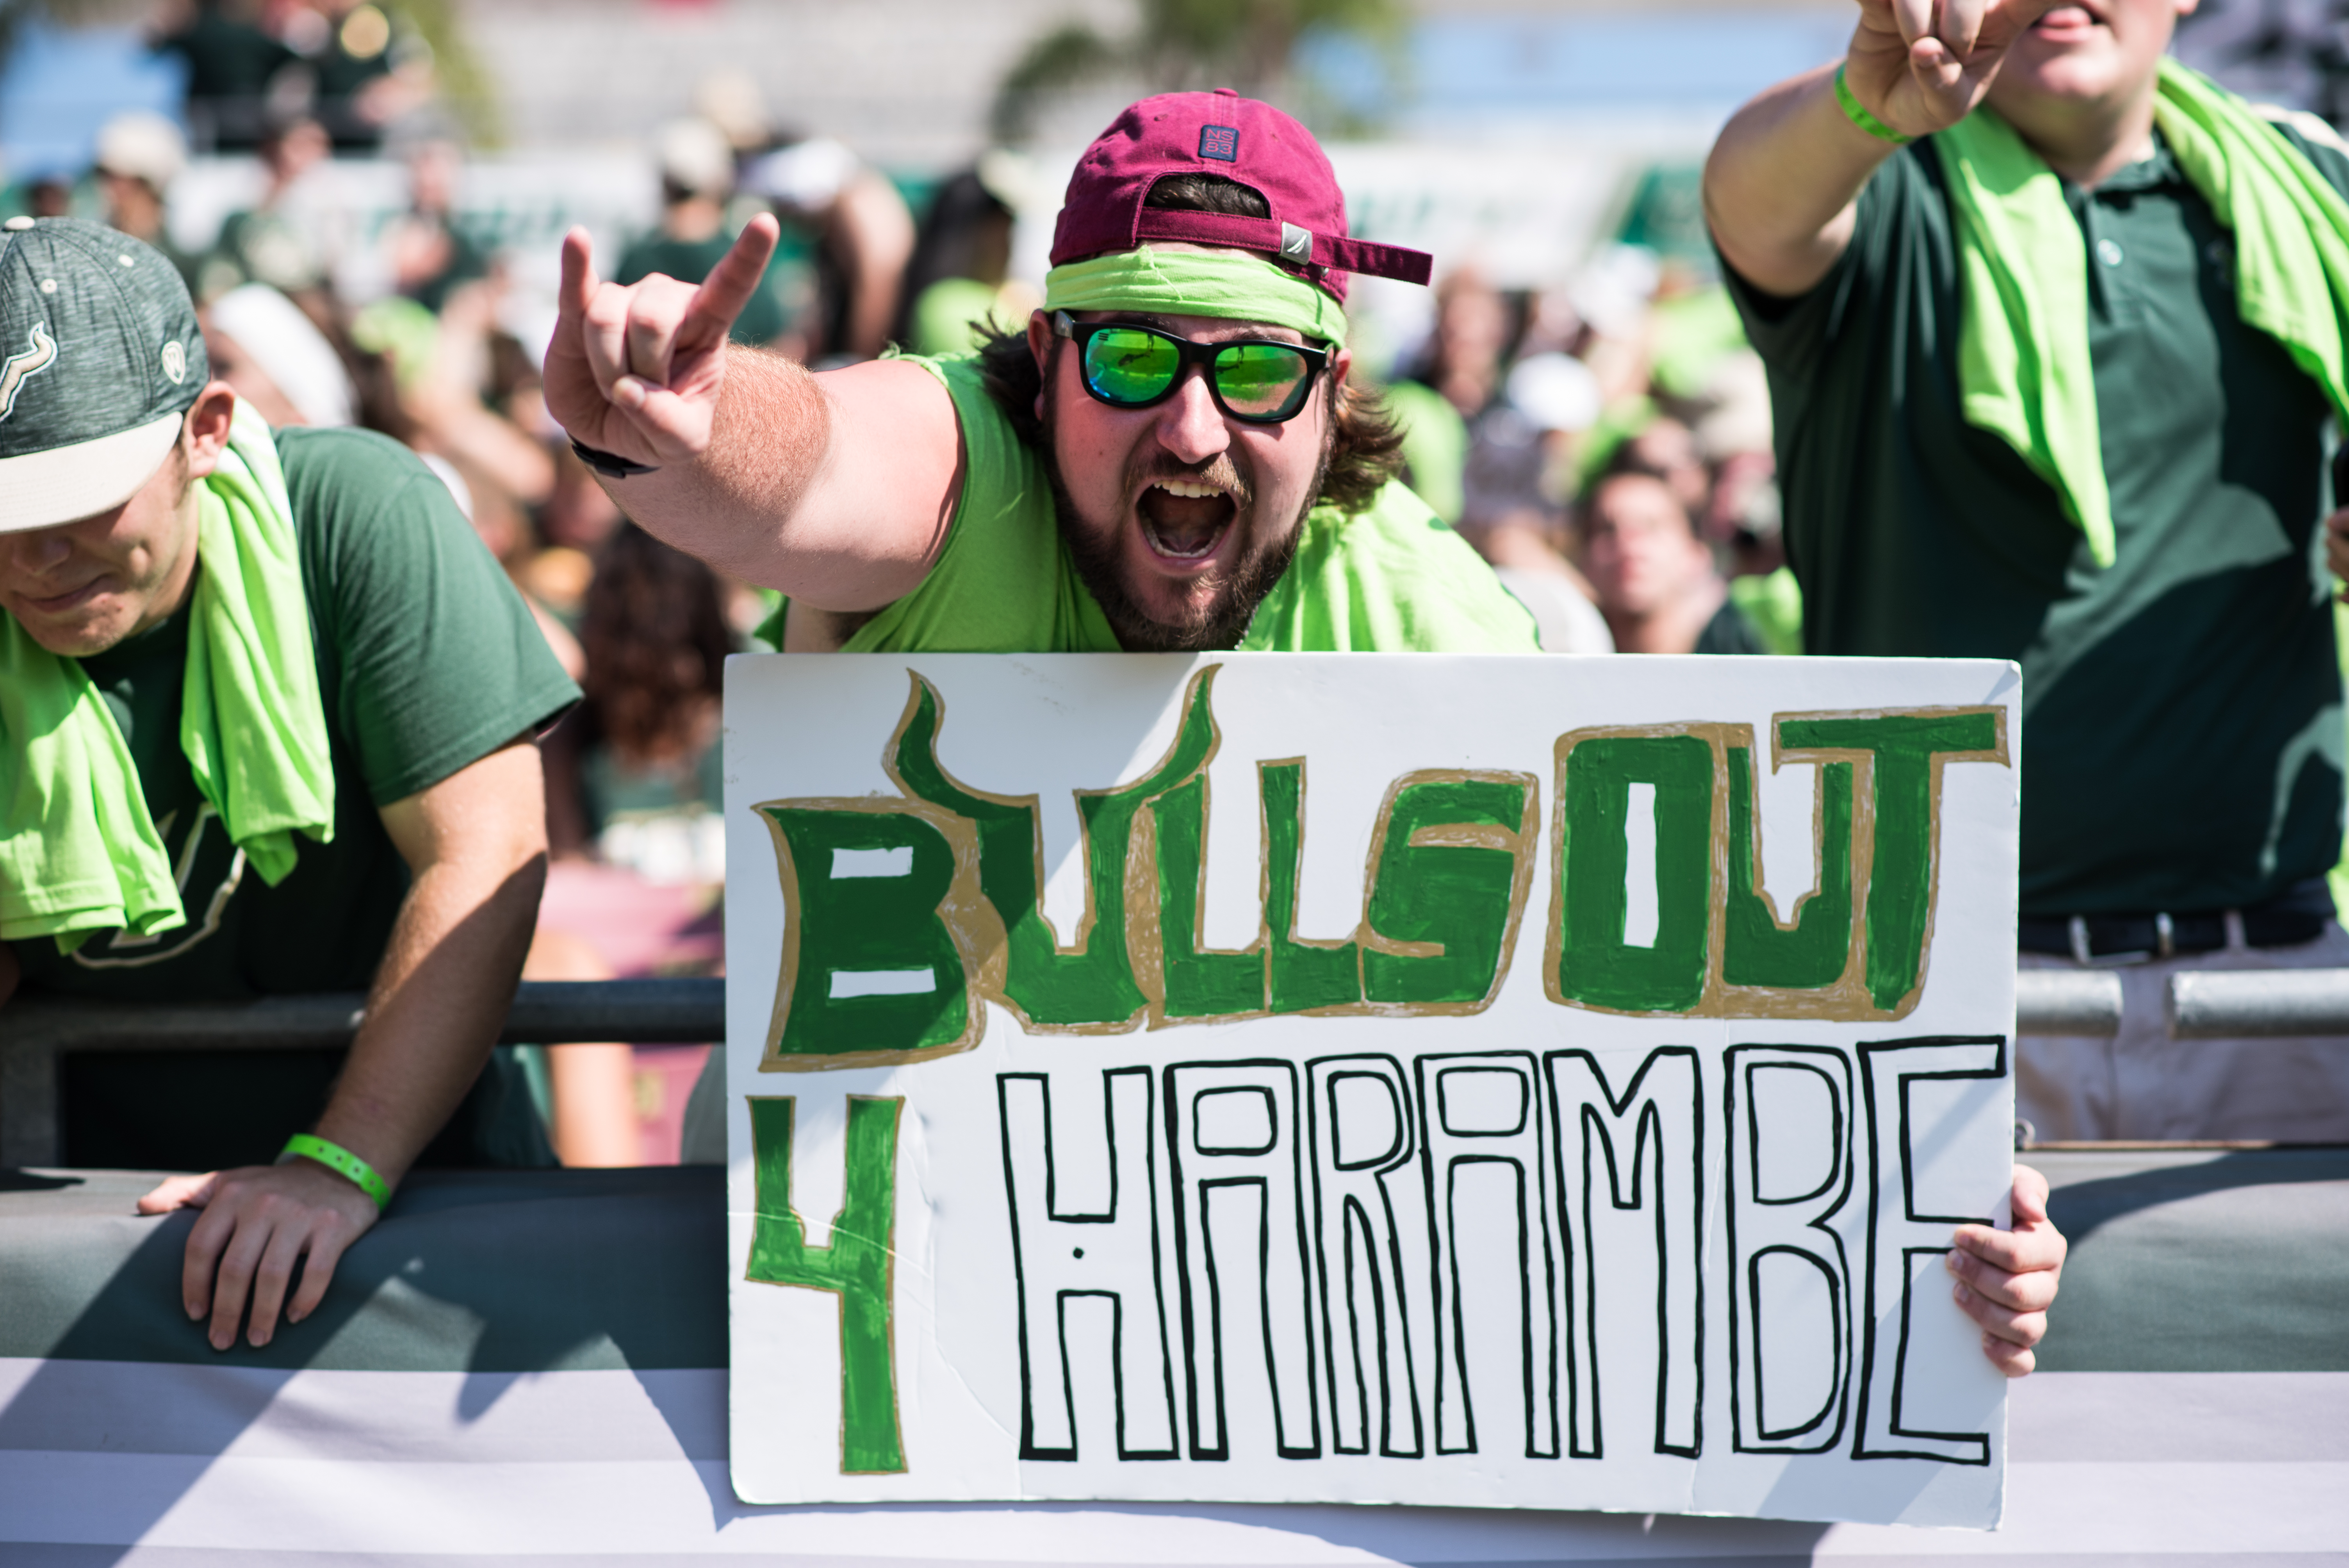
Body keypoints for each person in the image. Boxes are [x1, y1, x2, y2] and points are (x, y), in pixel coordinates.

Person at [546, 88, 2067, 1372]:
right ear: (1046, 364)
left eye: (1255, 368)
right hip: (847, 1355)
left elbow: (1646, 1033)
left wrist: (1904, 1189)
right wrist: (667, 426)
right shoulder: (970, 479)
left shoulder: (1438, 618)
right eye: (1133, 358)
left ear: (1333, 401)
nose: (1192, 430)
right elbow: (807, 461)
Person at [1705, 0, 2349, 1144]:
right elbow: (1748, 203)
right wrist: (1865, 104)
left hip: (2274, 989)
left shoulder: (2308, 191)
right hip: (1938, 1000)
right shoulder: (1883, 182)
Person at [0, 219, 579, 1351]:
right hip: (78, 1239)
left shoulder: (359, 514)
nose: (34, 557)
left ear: (204, 431)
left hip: (423, 1206)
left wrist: (340, 1164)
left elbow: (489, 852)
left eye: (80, 500)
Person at [617, 119, 800, 354]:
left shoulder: (637, 258)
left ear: (665, 184)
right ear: (719, 181)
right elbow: (782, 344)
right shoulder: (746, 256)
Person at [1578, 463, 1766, 654]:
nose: (1628, 543)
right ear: (1583, 559)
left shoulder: (1747, 647)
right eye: (1608, 529)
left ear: (1697, 556)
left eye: (1650, 525)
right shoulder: (1562, 660)